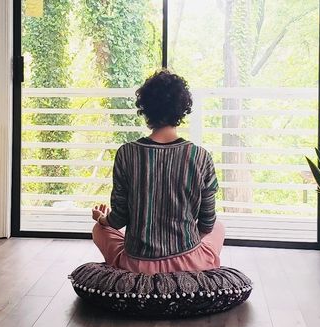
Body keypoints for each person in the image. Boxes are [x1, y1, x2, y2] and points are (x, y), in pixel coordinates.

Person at [92, 70, 225, 275]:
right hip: (189, 262)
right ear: (182, 109)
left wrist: (102, 219)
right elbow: (207, 223)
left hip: (137, 264)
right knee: (219, 227)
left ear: (145, 109)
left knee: (100, 231)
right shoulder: (200, 156)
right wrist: (183, 244)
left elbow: (118, 220)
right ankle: (194, 266)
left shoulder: (126, 153)